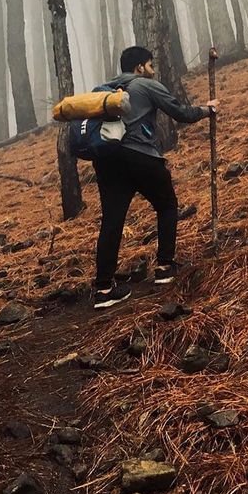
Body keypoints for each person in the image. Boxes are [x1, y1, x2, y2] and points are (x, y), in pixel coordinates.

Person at [92, 46, 219, 309]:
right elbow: (181, 113)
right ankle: (164, 267)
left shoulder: (105, 90)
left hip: (107, 161)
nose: (152, 69)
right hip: (141, 156)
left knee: (112, 220)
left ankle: (103, 289)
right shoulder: (145, 85)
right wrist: (207, 110)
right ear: (139, 67)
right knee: (167, 205)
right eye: (150, 65)